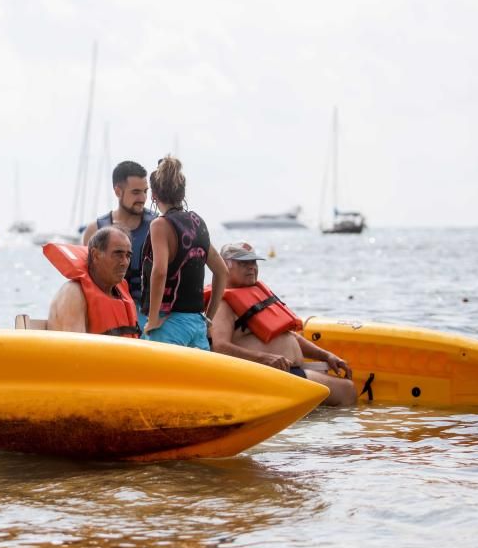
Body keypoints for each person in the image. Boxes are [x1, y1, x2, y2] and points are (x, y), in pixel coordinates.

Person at [211, 242, 356, 406]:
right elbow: (220, 347)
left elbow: (287, 335)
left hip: (286, 370)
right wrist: (265, 359)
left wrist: (326, 356)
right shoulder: (223, 303)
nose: (251, 267)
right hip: (267, 375)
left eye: (254, 262)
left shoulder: (253, 295)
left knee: (346, 388)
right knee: (347, 391)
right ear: (224, 265)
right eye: (243, 263)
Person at [140, 156, 227, 349]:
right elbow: (222, 271)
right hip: (197, 325)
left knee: (158, 379)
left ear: (154, 195)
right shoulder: (198, 223)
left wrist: (153, 319)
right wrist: (208, 319)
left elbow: (160, 271)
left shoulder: (160, 225)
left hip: (169, 326)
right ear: (182, 194)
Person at [81, 160, 155, 307]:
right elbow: (86, 280)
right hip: (109, 310)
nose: (142, 198)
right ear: (118, 191)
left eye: (145, 191)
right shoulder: (95, 231)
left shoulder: (158, 226)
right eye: (136, 192)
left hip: (149, 314)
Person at [46, 226, 141, 337]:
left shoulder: (120, 291)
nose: (125, 262)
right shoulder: (74, 294)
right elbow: (73, 351)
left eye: (128, 255)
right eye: (118, 254)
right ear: (95, 255)